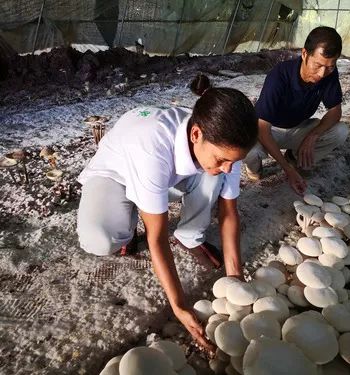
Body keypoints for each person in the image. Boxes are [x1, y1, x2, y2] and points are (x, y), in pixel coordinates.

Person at [76, 74, 258, 351]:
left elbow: (229, 211)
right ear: (196, 134)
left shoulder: (221, 144)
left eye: (233, 161)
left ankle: (188, 235)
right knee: (101, 239)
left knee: (213, 175)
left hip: (165, 177)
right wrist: (179, 305)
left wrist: (236, 279)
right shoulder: (153, 146)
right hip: (117, 175)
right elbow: (156, 238)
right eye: (223, 159)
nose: (229, 168)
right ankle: (129, 214)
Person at [243, 26, 349, 195]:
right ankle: (256, 169)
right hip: (269, 130)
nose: (322, 73)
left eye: (329, 66)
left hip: (298, 128)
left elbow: (335, 111)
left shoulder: (330, 74)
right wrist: (287, 171)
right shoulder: (279, 76)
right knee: (249, 151)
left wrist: (312, 136)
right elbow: (262, 129)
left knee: (340, 131)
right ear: (305, 54)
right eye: (318, 65)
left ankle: (293, 157)